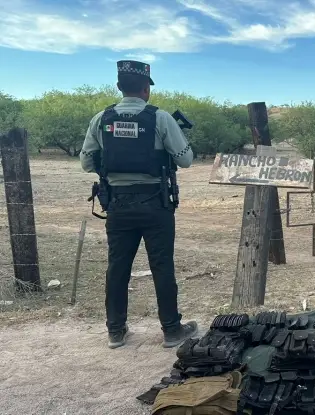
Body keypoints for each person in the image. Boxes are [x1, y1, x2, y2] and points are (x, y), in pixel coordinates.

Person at [80, 60, 198, 349]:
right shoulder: (160, 118)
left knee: (117, 267)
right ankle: (171, 330)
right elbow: (186, 159)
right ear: (146, 89)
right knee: (162, 265)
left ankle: (116, 331)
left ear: (120, 87)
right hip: (156, 204)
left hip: (117, 205)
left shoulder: (101, 119)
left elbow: (86, 162)